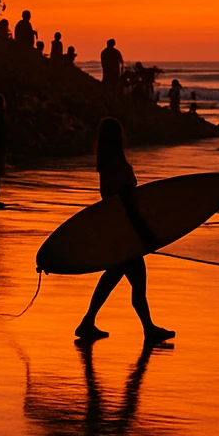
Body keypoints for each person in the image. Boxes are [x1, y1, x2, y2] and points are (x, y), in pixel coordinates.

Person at [74, 118, 175, 344]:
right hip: (127, 233)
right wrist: (147, 234)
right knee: (135, 281)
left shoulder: (106, 165)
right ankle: (148, 330)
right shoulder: (119, 167)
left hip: (116, 230)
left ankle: (88, 322)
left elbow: (112, 202)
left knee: (114, 278)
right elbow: (129, 207)